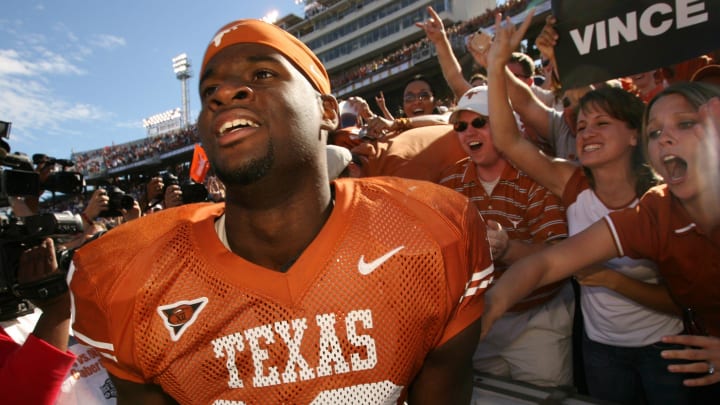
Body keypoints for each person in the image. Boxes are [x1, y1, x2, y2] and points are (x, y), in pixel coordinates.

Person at [69, 18, 494, 404]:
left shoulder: (431, 233)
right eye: (208, 92)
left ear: (327, 111)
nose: (224, 94)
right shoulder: (129, 280)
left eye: (262, 74)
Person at [484, 11, 689, 404]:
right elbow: (509, 140)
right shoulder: (571, 182)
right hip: (601, 352)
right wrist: (495, 66)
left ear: (635, 135)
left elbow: (682, 300)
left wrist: (613, 281)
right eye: (581, 127)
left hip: (667, 350)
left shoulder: (663, 200)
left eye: (602, 124)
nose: (587, 133)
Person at [438, 86, 574, 388]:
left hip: (537, 319)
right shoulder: (449, 181)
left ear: (506, 124)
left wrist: (508, 249)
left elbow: (560, 253)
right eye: (461, 126)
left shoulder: (536, 174)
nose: (468, 132)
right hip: (480, 322)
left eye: (479, 122)